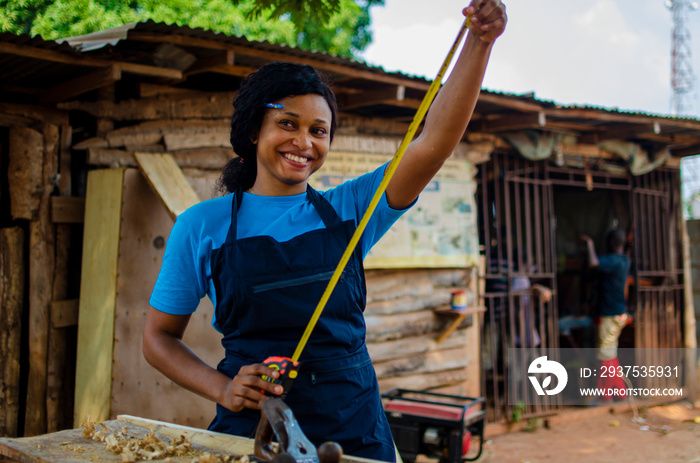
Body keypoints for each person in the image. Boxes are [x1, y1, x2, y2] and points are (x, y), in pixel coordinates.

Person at [142, 2, 507, 461]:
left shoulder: (353, 208)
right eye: (287, 124)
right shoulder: (201, 225)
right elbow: (157, 338)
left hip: (353, 426)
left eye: (319, 130)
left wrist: (479, 42)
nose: (304, 142)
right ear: (255, 130)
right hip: (254, 430)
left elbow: (432, 144)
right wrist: (222, 388)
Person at [579, 229, 631, 401]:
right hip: (618, 313)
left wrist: (590, 244)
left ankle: (613, 392)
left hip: (609, 315)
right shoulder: (625, 260)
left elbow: (593, 263)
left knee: (605, 355)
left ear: (611, 243)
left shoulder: (613, 261)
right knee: (610, 354)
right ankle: (613, 392)